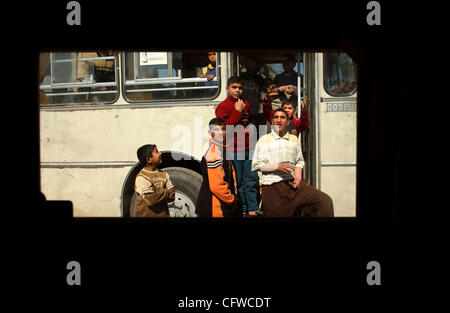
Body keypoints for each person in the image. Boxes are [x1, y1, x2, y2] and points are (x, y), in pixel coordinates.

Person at [251, 108, 334, 217]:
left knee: (324, 201)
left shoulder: (294, 139)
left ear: (288, 122)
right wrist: (277, 166)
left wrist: (298, 175)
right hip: (273, 187)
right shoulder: (263, 140)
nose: (279, 120)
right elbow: (256, 165)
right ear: (272, 122)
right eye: (276, 117)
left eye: (282, 117)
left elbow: (299, 161)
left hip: (293, 185)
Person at [215, 76, 260, 217]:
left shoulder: (245, 103)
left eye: (240, 88)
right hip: (233, 149)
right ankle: (243, 210)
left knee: (251, 179)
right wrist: (237, 111)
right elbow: (225, 129)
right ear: (227, 89)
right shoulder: (222, 107)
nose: (238, 90)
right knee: (238, 181)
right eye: (234, 87)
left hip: (249, 147)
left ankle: (253, 208)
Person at [195, 118, 240, 218]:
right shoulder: (213, 154)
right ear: (210, 132)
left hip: (223, 204)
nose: (220, 132)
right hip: (215, 207)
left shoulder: (222, 150)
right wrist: (231, 199)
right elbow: (217, 186)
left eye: (223, 129)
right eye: (216, 130)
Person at [133, 144, 175, 217]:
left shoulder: (164, 174)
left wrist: (155, 190)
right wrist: (165, 191)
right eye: (157, 152)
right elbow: (151, 200)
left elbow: (172, 195)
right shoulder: (141, 177)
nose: (160, 153)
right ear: (149, 159)